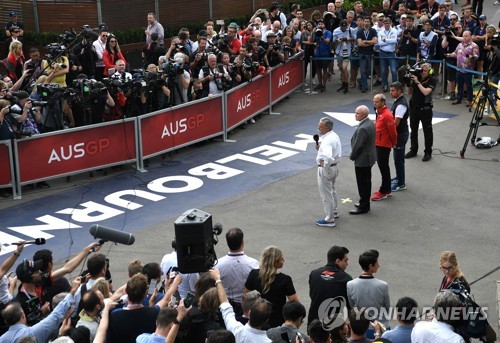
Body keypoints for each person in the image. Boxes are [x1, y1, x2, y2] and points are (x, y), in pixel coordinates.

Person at [0, 276, 80, 343]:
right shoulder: (34, 332)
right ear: (22, 315)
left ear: (6, 321)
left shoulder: (2, 339)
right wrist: (72, 292)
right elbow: (56, 314)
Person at [245, 246, 299, 327]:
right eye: (281, 259)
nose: (283, 261)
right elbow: (294, 301)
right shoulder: (285, 280)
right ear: (275, 262)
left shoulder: (254, 274)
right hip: (278, 321)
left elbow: (246, 295)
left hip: (257, 319)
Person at [215, 228, 259, 316]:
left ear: (228, 243)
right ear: (242, 242)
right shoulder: (253, 264)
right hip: (248, 308)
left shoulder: (218, 265)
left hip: (225, 307)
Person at [346, 250, 390, 329]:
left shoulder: (350, 285)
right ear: (370, 266)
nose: (378, 265)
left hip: (361, 328)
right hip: (380, 326)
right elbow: (387, 308)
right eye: (377, 263)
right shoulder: (383, 285)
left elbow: (352, 306)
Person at [308, 246, 351, 326]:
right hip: (334, 325)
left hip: (314, 322)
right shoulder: (346, 278)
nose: (347, 264)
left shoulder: (314, 274)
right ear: (338, 261)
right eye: (345, 260)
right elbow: (349, 305)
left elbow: (312, 294)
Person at [405, 62, 436, 162]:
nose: (423, 72)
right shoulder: (416, 77)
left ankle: (428, 152)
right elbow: (408, 92)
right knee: (413, 130)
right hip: (414, 107)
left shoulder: (432, 79)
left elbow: (426, 92)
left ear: (430, 71)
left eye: (425, 71)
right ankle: (413, 149)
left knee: (427, 132)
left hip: (425, 109)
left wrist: (417, 82)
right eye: (422, 70)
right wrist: (408, 82)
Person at [349, 105, 376, 215]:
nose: (355, 115)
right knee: (366, 182)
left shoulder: (363, 128)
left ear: (364, 114)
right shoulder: (369, 123)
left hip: (363, 160)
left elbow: (358, 146)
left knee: (363, 184)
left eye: (357, 113)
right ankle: (365, 203)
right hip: (368, 158)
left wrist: (352, 156)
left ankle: (363, 206)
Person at [315, 117, 342, 227]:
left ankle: (329, 219)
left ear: (327, 128)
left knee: (326, 195)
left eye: (320, 127)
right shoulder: (334, 135)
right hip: (335, 168)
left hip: (326, 169)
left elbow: (328, 156)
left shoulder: (326, 140)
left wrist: (324, 164)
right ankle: (334, 211)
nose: (318, 128)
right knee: (332, 190)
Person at [371, 94, 397, 201]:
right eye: (374, 101)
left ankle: (384, 191)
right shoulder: (380, 113)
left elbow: (393, 132)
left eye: (376, 102)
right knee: (383, 167)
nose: (374, 103)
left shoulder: (387, 115)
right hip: (379, 144)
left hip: (383, 145)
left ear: (383, 102)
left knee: (384, 168)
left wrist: (393, 143)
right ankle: (386, 189)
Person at [447, 30, 479, 107]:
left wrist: (472, 57)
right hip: (459, 68)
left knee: (468, 85)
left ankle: (469, 100)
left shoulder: (474, 46)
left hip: (468, 69)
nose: (464, 37)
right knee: (459, 84)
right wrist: (450, 55)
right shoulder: (460, 45)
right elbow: (455, 53)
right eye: (463, 36)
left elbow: (476, 56)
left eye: (466, 36)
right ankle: (459, 98)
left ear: (470, 37)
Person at [389, 82, 409, 192]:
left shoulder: (401, 105)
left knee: (398, 160)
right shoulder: (398, 101)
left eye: (393, 91)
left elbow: (395, 123)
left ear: (399, 91)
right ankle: (398, 177)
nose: (390, 92)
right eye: (390, 90)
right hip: (400, 134)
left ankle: (401, 183)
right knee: (397, 158)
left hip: (400, 135)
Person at [309, 19, 332, 92]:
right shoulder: (316, 32)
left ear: (324, 25)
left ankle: (324, 85)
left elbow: (327, 42)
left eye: (322, 24)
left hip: (325, 54)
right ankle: (320, 83)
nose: (320, 25)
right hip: (317, 54)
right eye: (319, 24)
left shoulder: (328, 32)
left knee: (325, 69)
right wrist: (313, 33)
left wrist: (322, 37)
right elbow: (311, 41)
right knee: (318, 69)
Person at [356, 16, 377, 93]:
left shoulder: (373, 31)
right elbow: (360, 44)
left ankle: (360, 80)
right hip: (362, 53)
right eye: (365, 21)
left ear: (370, 22)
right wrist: (369, 42)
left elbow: (375, 41)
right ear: (363, 22)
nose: (366, 23)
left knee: (369, 70)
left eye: (368, 21)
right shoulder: (359, 31)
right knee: (362, 70)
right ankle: (364, 86)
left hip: (370, 53)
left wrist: (366, 42)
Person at [378, 18, 398, 92]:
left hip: (391, 53)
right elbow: (379, 43)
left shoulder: (394, 31)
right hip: (382, 53)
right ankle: (385, 85)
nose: (387, 24)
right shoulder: (380, 32)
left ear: (391, 23)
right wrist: (389, 41)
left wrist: (385, 40)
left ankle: (395, 87)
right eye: (385, 23)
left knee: (393, 70)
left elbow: (394, 41)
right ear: (383, 24)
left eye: (388, 23)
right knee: (383, 71)